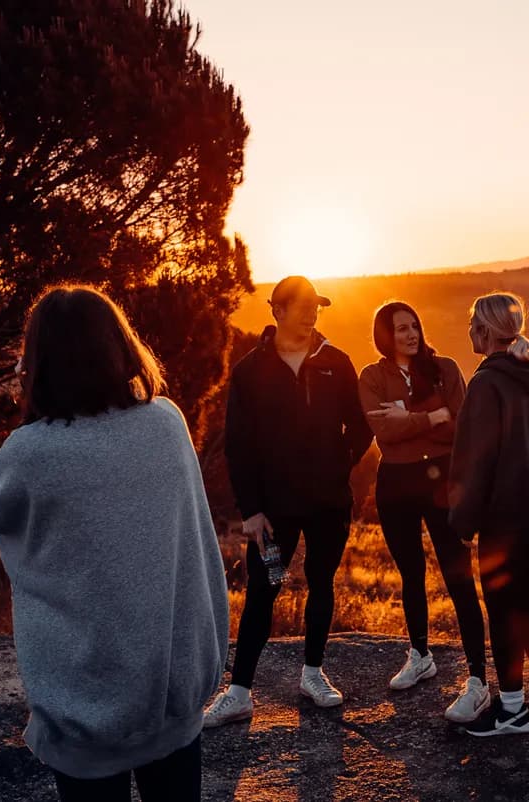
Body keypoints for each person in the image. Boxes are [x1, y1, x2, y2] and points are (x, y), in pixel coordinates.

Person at [0, 286, 229, 801]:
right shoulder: (167, 422)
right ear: (119, 347)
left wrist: (27, 416)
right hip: (173, 694)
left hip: (83, 705)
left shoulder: (32, 451)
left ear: (39, 362)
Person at [205, 275, 373, 726]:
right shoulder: (250, 370)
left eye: (315, 305)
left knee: (322, 582)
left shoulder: (336, 363)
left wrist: (340, 467)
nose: (310, 312)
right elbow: (238, 445)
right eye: (300, 305)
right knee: (266, 588)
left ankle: (313, 674)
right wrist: (252, 510)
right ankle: (239, 692)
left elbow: (361, 426)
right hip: (274, 514)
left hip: (327, 505)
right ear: (276, 311)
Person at [358, 302, 489, 721]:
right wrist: (430, 415)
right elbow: (385, 432)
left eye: (414, 326)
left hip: (442, 483)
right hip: (395, 483)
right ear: (385, 335)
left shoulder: (446, 368)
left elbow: (459, 424)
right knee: (410, 573)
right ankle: (419, 654)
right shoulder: (371, 377)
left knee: (458, 575)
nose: (411, 334)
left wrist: (411, 417)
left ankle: (477, 678)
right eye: (400, 329)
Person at [449, 292, 529, 736]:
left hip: (503, 521)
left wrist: (461, 522)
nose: (469, 328)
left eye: (473, 322)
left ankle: (514, 708)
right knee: (524, 608)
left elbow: (475, 460)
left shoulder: (486, 383)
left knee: (504, 610)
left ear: (485, 330)